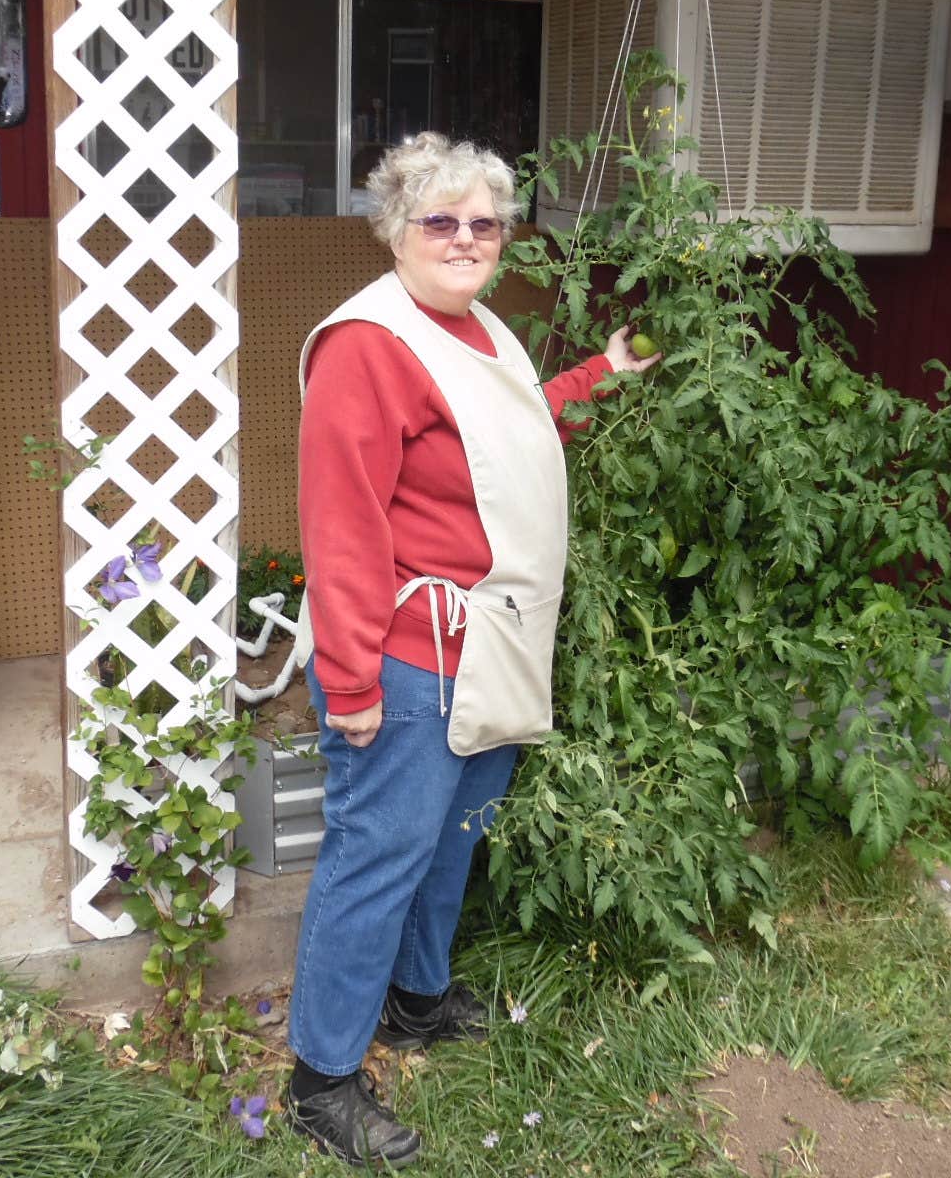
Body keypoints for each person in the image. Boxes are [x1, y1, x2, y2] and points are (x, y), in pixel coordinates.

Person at [284, 133, 659, 1167]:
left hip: (490, 646)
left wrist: (603, 373)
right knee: (377, 855)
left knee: (450, 838)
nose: (464, 239)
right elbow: (341, 526)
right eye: (439, 220)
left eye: (483, 223)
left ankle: (416, 1001)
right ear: (395, 230)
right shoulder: (368, 345)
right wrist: (350, 680)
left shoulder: (477, 328)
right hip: (411, 655)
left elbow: (508, 438)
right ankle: (320, 1079)